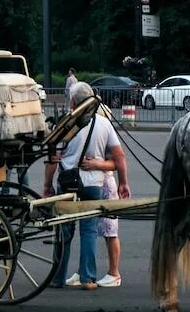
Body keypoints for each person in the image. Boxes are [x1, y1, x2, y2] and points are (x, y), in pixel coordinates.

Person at [46, 83, 129, 291]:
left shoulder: (65, 124)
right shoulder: (103, 123)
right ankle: (88, 277)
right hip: (94, 183)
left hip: (67, 182)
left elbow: (52, 159)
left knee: (64, 231)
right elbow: (119, 156)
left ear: (73, 101)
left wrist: (47, 185)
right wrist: (123, 183)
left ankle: (58, 277)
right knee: (89, 231)